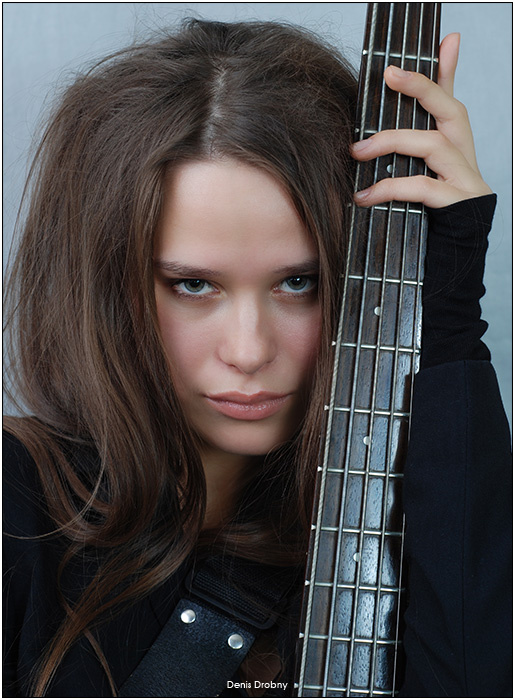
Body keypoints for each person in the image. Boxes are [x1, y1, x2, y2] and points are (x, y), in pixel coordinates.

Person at [3, 18, 511, 698]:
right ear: (103, 289)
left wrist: (443, 317)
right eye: (193, 285)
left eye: (298, 282)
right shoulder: (14, 509)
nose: (248, 351)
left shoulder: (407, 523)